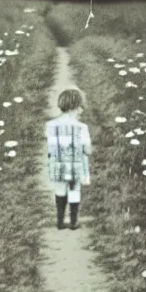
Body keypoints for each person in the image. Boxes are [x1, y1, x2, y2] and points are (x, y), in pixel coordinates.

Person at [46, 88, 92, 230]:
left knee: (60, 190)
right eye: (80, 108)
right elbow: (87, 149)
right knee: (74, 190)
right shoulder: (82, 127)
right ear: (74, 107)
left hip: (58, 165)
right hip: (76, 165)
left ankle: (60, 221)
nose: (81, 111)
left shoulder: (50, 125)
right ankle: (73, 221)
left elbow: (51, 147)